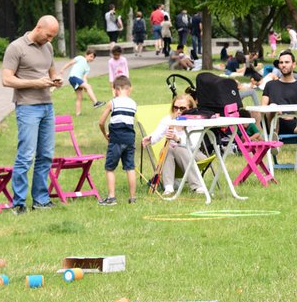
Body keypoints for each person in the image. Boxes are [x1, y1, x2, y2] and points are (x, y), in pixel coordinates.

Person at [1, 15, 63, 214]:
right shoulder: (16, 48)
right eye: (48, 35)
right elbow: (6, 80)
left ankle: (41, 199)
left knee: (45, 155)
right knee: (26, 155)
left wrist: (57, 79)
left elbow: (52, 71)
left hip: (47, 106)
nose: (50, 40)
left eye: (53, 37)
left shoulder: (48, 47)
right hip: (27, 107)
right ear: (38, 27)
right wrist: (35, 83)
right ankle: (18, 203)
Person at [261, 50, 297, 172]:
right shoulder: (270, 85)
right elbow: (263, 108)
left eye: (287, 62)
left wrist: (290, 115)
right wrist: (275, 111)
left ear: (293, 64)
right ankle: (274, 139)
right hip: (271, 122)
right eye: (281, 62)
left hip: (293, 123)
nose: (283, 65)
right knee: (272, 106)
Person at [141, 94, 208, 196]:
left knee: (178, 149)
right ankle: (168, 187)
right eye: (175, 107)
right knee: (167, 149)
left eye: (182, 108)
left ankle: (197, 186)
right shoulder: (168, 119)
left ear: (190, 109)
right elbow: (157, 134)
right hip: (173, 161)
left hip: (195, 156)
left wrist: (177, 139)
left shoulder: (196, 121)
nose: (178, 111)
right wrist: (150, 138)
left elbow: (194, 145)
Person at [97, 75, 139, 205]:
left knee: (110, 168)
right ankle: (132, 198)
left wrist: (105, 135)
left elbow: (101, 122)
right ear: (129, 89)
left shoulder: (113, 102)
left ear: (115, 89)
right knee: (130, 167)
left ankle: (111, 197)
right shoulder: (133, 104)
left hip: (116, 139)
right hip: (130, 138)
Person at [60, 50, 104, 116]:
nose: (91, 58)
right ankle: (96, 103)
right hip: (73, 77)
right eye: (90, 56)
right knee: (89, 86)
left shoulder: (88, 68)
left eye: (93, 58)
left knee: (80, 97)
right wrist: (62, 69)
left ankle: (78, 114)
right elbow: (70, 63)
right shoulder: (80, 58)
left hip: (78, 80)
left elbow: (84, 78)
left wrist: (85, 86)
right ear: (86, 55)